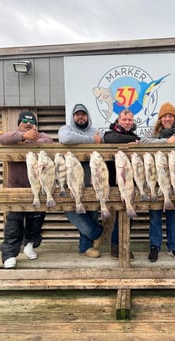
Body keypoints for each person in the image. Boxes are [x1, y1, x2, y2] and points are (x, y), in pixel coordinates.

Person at [0, 110, 53, 269]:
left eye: (31, 122)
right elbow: (2, 139)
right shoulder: (12, 137)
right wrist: (23, 137)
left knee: (35, 221)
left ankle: (29, 245)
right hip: (16, 188)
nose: (28, 124)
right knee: (13, 223)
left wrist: (31, 140)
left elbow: (49, 142)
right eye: (24, 122)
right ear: (19, 124)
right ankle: (9, 254)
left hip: (38, 189)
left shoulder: (41, 136)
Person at [141, 102, 175, 262]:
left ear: (174, 118)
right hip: (156, 179)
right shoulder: (154, 132)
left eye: (170, 116)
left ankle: (173, 247)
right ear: (160, 119)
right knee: (155, 215)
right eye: (165, 116)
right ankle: (154, 246)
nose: (167, 119)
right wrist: (165, 142)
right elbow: (144, 141)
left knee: (173, 215)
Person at [58, 103, 104, 258]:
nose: (80, 117)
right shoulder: (67, 129)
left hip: (91, 182)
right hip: (71, 182)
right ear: (73, 117)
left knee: (91, 214)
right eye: (77, 114)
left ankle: (86, 248)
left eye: (83, 114)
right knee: (72, 212)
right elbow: (65, 139)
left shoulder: (95, 130)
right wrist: (91, 140)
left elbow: (103, 143)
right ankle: (97, 233)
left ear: (87, 116)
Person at [103, 109, 140, 260]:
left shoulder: (135, 137)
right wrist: (129, 143)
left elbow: (137, 142)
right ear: (118, 121)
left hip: (129, 182)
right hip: (112, 183)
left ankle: (122, 246)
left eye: (130, 120)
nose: (127, 122)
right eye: (124, 119)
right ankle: (115, 245)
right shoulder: (109, 134)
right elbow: (111, 139)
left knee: (127, 215)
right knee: (118, 214)